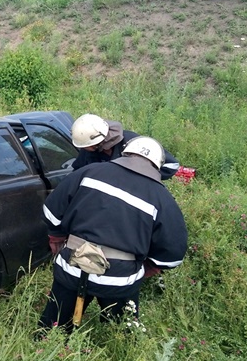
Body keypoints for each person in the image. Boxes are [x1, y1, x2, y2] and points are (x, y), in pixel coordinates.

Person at [39, 136, 187, 333]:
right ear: (157, 165)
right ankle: (121, 342)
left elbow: (51, 211)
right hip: (119, 278)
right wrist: (146, 268)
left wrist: (58, 238)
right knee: (123, 331)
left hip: (73, 265)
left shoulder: (89, 172)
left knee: (52, 327)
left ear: (126, 153)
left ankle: (48, 342)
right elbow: (172, 255)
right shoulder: (163, 199)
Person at [70, 113, 180, 181]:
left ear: (96, 143)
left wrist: (141, 177)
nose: (83, 149)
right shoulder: (89, 151)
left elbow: (171, 165)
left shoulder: (134, 143)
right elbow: (78, 171)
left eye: (86, 146)